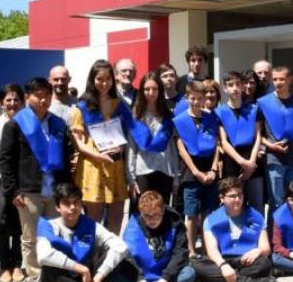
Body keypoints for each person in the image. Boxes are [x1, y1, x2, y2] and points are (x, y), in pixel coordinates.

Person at [0, 77, 76, 280]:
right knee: (30, 237)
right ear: (27, 97)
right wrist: (12, 191)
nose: (44, 100)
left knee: (56, 232)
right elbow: (5, 161)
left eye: (47, 96)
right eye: (38, 96)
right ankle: (35, 275)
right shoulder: (16, 124)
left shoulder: (58, 123)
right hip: (29, 191)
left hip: (55, 190)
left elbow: (66, 159)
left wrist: (67, 189)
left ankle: (56, 272)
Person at [35, 183, 132, 282]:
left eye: (76, 202)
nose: (73, 207)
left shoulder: (91, 225)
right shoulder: (48, 226)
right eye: (67, 203)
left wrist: (100, 275)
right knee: (50, 265)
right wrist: (81, 269)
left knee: (110, 253)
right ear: (57, 207)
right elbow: (43, 255)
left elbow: (121, 247)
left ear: (81, 205)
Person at [71, 60, 133, 233]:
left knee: (116, 219)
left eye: (108, 79)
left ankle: (110, 258)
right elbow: (78, 142)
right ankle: (91, 258)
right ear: (92, 79)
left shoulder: (119, 105)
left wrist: (120, 148)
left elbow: (126, 134)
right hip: (93, 168)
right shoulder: (82, 107)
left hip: (115, 167)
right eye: (99, 79)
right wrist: (99, 155)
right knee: (93, 221)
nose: (104, 83)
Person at [193, 177, 279, 282]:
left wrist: (257, 251)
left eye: (240, 195)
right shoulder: (211, 220)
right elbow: (212, 251)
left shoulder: (256, 217)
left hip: (247, 261)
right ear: (222, 198)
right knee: (195, 264)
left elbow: (266, 248)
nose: (238, 199)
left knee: (264, 263)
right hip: (223, 260)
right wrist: (223, 266)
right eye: (232, 196)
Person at [114, 190, 194, 282]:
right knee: (112, 275)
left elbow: (180, 253)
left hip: (165, 273)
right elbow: (127, 257)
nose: (151, 219)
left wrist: (165, 279)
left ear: (162, 211)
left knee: (189, 273)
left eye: (156, 215)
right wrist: (140, 279)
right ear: (141, 213)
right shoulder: (133, 225)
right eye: (147, 216)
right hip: (139, 275)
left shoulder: (175, 223)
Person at [0, 83, 26, 282]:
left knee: (20, 224)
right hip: (2, 181)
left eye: (16, 99)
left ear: (22, 102)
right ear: (1, 103)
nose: (12, 103)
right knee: (2, 225)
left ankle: (17, 264)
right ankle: (4, 266)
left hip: (22, 181)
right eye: (8, 100)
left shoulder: (27, 122)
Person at [173, 81, 221, 258]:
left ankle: (209, 251)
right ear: (186, 98)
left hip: (209, 170)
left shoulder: (211, 118)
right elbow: (181, 149)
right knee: (191, 214)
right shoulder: (179, 121)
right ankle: (191, 251)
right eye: (192, 98)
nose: (196, 102)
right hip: (190, 173)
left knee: (207, 213)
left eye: (199, 98)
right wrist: (196, 172)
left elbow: (217, 145)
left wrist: (214, 169)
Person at [257, 66, 293, 213]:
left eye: (282, 79)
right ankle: (275, 236)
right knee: (277, 203)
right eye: (275, 79)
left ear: (290, 80)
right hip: (274, 161)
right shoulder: (263, 103)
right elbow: (258, 134)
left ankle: (290, 235)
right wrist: (271, 146)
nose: (278, 82)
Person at [127, 72, 179, 211]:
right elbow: (132, 149)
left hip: (165, 170)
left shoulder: (167, 116)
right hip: (142, 171)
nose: (151, 93)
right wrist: (131, 178)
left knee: (162, 212)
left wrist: (176, 176)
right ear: (141, 91)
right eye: (147, 89)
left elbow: (172, 148)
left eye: (155, 89)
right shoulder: (136, 116)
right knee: (142, 213)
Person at [215, 71, 266, 213]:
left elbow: (258, 137)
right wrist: (242, 162)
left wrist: (251, 163)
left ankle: (257, 235)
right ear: (225, 89)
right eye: (231, 85)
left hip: (253, 161)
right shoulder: (219, 112)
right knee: (233, 205)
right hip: (232, 162)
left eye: (238, 84)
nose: (235, 88)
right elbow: (223, 142)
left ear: (243, 86)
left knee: (257, 205)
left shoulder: (253, 109)